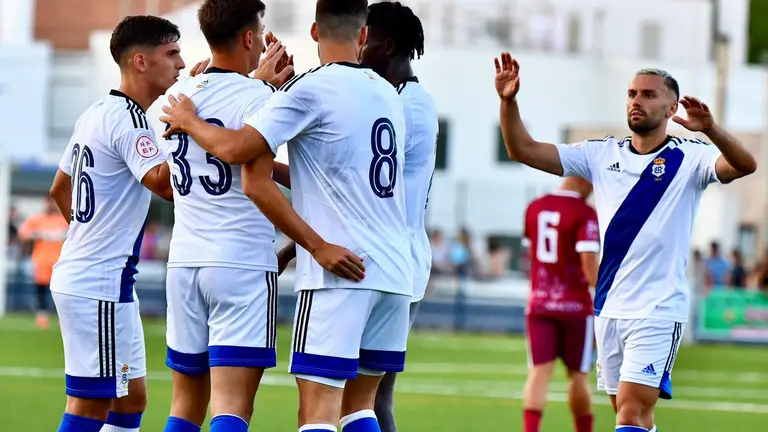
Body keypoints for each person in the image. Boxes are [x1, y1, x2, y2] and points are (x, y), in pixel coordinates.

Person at [161, 1, 413, 431]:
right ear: (364, 36)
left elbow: (244, 161)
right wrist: (265, 89)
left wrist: (189, 119)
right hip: (392, 269)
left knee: (313, 412)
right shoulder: (388, 93)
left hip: (337, 271)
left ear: (314, 32)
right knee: (360, 409)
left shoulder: (300, 91)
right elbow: (328, 172)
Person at [494, 52, 756, 432]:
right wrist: (508, 101)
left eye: (649, 94)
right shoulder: (601, 154)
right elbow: (523, 149)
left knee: (630, 414)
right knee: (633, 416)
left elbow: (744, 165)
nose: (637, 100)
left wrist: (712, 130)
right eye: (632, 93)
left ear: (671, 107)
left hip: (658, 309)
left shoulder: (690, 158)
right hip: (609, 308)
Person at [158, 2, 293, 432]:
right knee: (232, 408)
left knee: (184, 407)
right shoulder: (260, 98)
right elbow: (254, 169)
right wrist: (267, 90)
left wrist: (259, 85)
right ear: (250, 38)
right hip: (239, 264)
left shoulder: (182, 95)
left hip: (183, 264)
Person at [48, 15, 182, 432]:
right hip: (98, 285)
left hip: (107, 284)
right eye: (171, 53)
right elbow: (162, 184)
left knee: (129, 399)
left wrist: (90, 233)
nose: (180, 63)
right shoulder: (129, 119)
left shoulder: (96, 112)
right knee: (90, 405)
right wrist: (193, 132)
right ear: (140, 62)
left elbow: (59, 189)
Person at [357, 2, 437, 430]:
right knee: (365, 395)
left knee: (366, 396)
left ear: (384, 45)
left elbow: (360, 178)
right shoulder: (400, 97)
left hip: (393, 260)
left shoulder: (407, 104)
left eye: (362, 35)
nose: (357, 43)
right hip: (393, 257)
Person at [521, 176, 599, 432]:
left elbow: (531, 256)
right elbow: (589, 268)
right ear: (582, 180)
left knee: (539, 370)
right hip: (575, 304)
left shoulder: (535, 206)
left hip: (540, 302)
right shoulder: (584, 212)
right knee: (578, 374)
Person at [17, 197, 69, 329]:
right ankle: (42, 315)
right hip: (42, 259)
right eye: (49, 202)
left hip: (60, 260)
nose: (51, 205)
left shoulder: (63, 218)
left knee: (61, 290)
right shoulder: (38, 219)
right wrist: (38, 234)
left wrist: (63, 235)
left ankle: (61, 316)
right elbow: (23, 232)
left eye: (53, 202)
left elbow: (74, 232)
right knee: (41, 287)